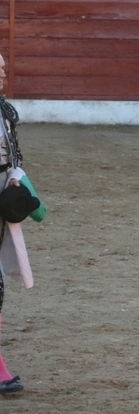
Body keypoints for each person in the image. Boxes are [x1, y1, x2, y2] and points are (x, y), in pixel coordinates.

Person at [0, 54, 30, 395]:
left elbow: (16, 155)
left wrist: (15, 178)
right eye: (0, 69)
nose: (5, 73)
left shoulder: (5, 111)